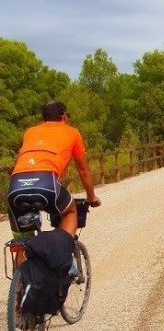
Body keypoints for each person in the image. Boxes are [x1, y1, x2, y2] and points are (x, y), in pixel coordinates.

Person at [7, 101, 101, 242]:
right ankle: (63, 254)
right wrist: (91, 197)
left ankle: (21, 258)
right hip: (46, 183)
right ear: (63, 116)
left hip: (15, 187)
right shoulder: (72, 132)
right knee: (70, 211)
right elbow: (84, 171)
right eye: (68, 115)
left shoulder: (30, 132)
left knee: (23, 242)